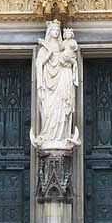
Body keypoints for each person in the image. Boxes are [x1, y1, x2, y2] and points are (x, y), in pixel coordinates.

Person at [31, 21, 80, 150]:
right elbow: (39, 64)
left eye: (58, 30)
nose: (56, 32)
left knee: (62, 106)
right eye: (53, 30)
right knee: (49, 109)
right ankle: (48, 136)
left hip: (62, 80)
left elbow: (70, 61)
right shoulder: (44, 49)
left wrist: (71, 62)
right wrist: (48, 54)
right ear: (49, 32)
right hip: (48, 84)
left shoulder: (64, 48)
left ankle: (62, 136)